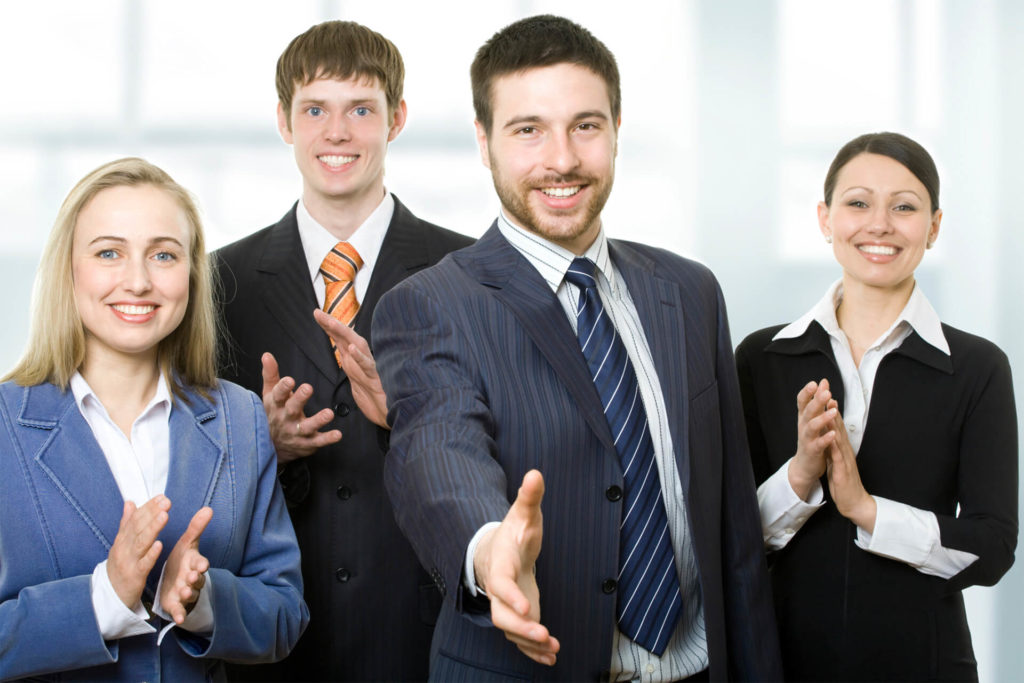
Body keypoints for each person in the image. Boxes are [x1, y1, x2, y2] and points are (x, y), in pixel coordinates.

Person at [371, 15, 782, 681]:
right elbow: (437, 452)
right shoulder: (430, 304)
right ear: (484, 142)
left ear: (616, 129)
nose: (561, 159)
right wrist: (489, 551)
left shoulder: (691, 292)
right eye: (528, 130)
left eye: (585, 125)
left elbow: (734, 530)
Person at [213, 20, 473, 682]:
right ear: (283, 121)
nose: (337, 132)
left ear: (397, 118)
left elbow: (508, 451)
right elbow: (180, 472)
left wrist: (406, 418)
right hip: (272, 645)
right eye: (315, 110)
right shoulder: (216, 282)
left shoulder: (470, 274)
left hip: (424, 638)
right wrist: (258, 447)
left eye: (360, 109)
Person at [0, 158, 308, 681]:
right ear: (68, 270)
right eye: (109, 253)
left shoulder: (239, 417)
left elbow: (284, 614)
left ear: (190, 274)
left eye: (163, 255)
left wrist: (200, 600)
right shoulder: (8, 423)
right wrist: (105, 598)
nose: (138, 281)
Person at [735, 132, 1018, 681]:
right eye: (858, 203)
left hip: (926, 665)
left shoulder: (977, 367)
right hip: (780, 665)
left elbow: (992, 547)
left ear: (934, 227)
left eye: (904, 207)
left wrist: (867, 509)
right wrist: (800, 476)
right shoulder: (760, 358)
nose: (880, 225)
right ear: (825, 219)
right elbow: (729, 541)